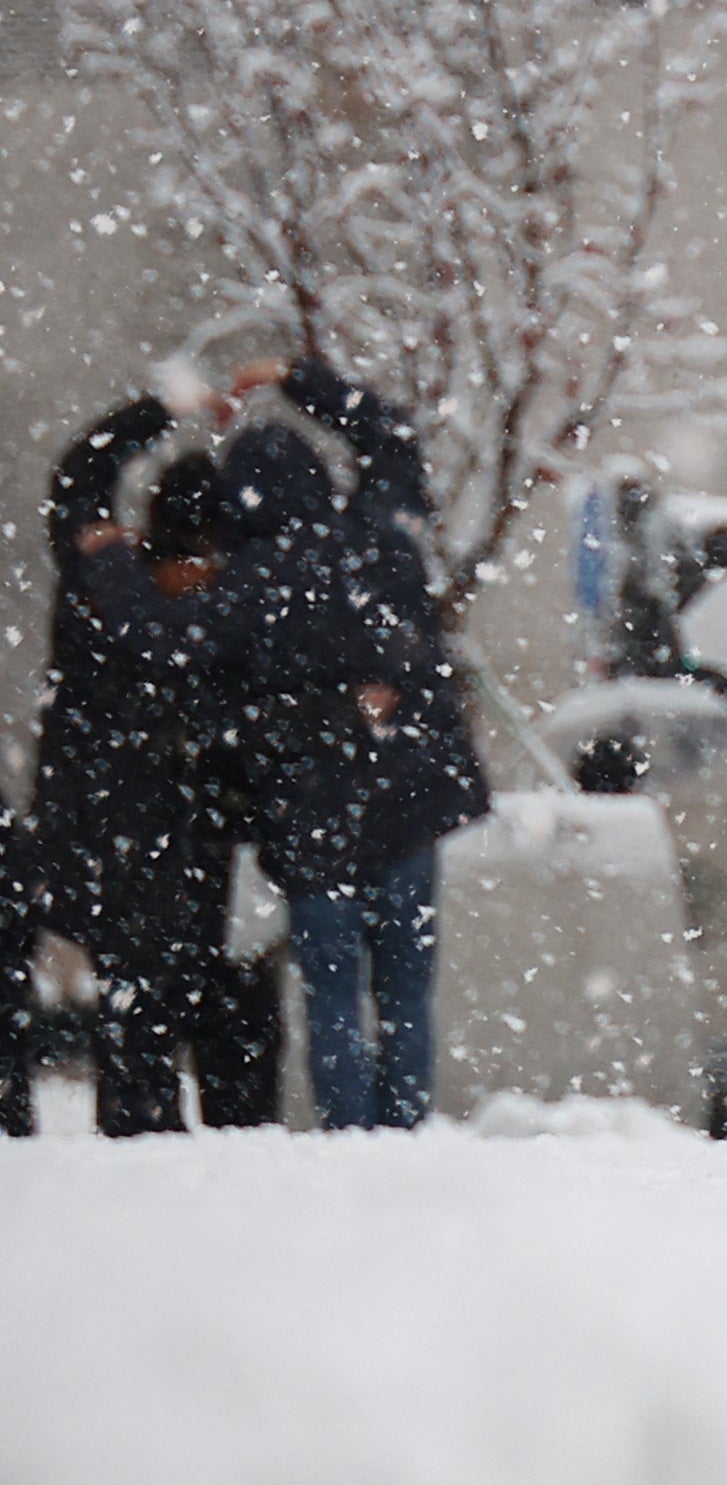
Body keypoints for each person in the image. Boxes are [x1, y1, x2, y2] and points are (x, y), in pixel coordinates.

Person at [212, 360, 495, 1134]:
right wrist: (300, 378)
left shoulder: (247, 581)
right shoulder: (380, 539)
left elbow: (236, 711)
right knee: (406, 990)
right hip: (409, 795)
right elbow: (392, 436)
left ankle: (350, 1134)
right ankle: (404, 1128)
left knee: (331, 994)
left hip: (314, 819)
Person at [42, 412, 272, 1133]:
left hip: (113, 826)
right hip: (203, 831)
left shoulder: (107, 585)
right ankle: (232, 1132)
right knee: (225, 997)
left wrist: (157, 411)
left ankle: (139, 1127)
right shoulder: (232, 612)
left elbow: (77, 481)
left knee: (135, 1001)